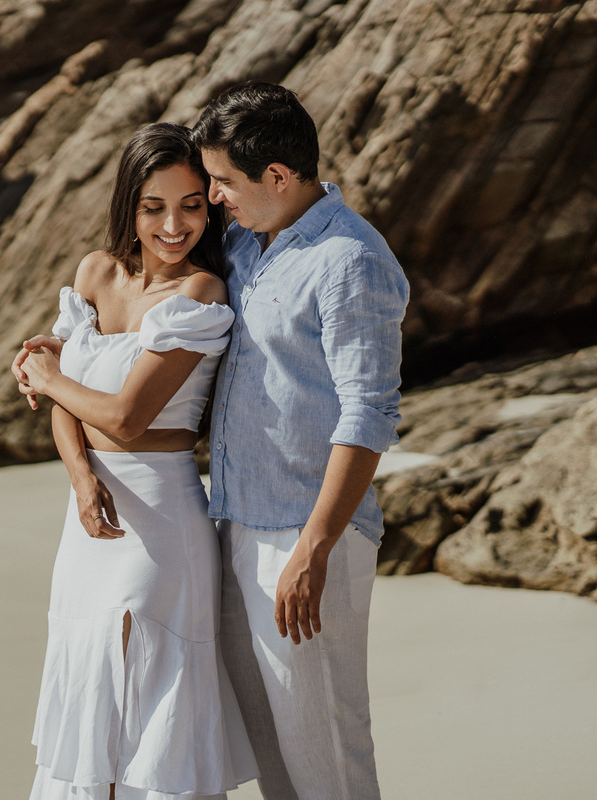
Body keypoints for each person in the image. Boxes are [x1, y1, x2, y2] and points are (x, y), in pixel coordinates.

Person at [12, 122, 258, 800]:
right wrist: (82, 478)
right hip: (87, 522)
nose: (174, 225)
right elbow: (75, 413)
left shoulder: (199, 294)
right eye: (154, 207)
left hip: (160, 527)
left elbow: (123, 414)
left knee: (149, 702)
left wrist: (46, 371)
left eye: (190, 205)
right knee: (92, 691)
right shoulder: (95, 272)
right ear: (130, 204)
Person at [189, 82, 410, 800]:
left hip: (309, 537)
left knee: (326, 754)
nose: (213, 196)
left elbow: (369, 413)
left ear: (277, 177)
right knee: (270, 746)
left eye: (221, 181)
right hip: (235, 521)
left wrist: (314, 549)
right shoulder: (246, 244)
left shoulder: (352, 261)